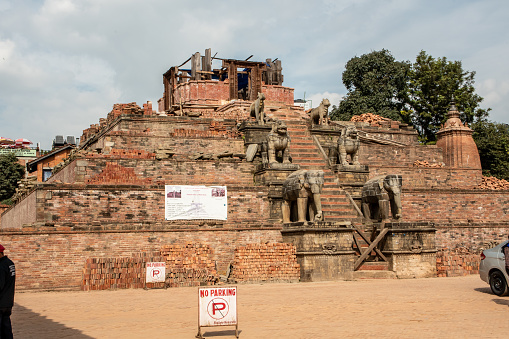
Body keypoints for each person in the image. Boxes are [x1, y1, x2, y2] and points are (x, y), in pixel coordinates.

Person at [0, 244, 15, 339]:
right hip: (8, 302)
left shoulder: (1, 266)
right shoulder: (10, 263)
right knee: (6, 328)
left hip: (0, 303)